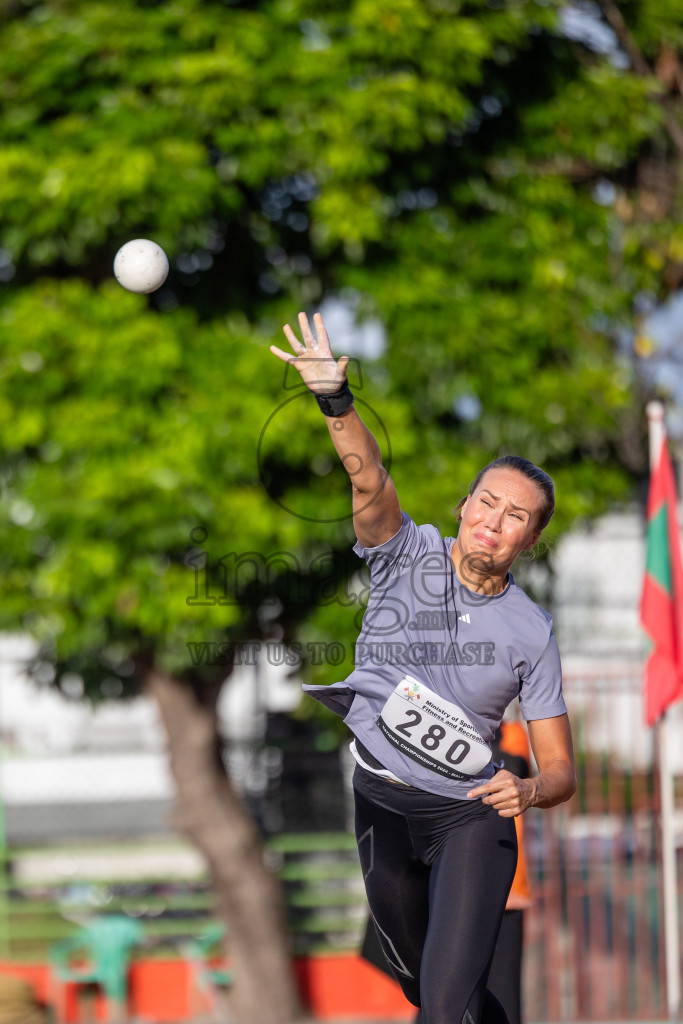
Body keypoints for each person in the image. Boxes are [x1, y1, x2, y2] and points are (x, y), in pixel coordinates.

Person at [269, 312, 576, 1024]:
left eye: (515, 518)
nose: (493, 522)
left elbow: (561, 771)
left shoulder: (531, 630)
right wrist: (334, 403)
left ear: (529, 540)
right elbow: (370, 482)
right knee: (430, 992)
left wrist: (529, 791)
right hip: (380, 802)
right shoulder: (405, 554)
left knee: (440, 1010)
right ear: (464, 505)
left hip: (469, 818)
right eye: (487, 503)